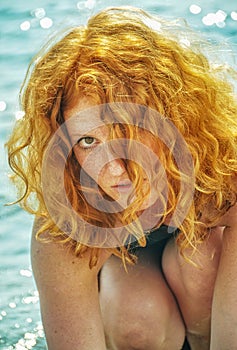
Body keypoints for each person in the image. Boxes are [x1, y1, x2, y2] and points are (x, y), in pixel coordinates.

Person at [6, 6, 237, 350]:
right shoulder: (64, 231)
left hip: (207, 311)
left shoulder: (220, 177)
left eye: (125, 134)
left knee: (199, 256)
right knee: (135, 308)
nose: (112, 167)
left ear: (172, 118)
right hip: (132, 323)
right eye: (87, 141)